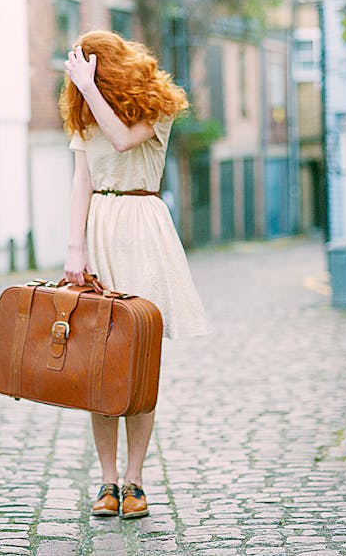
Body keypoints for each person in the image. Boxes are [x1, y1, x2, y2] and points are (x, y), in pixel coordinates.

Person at [59, 30, 212, 520]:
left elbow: (123, 142)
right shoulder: (83, 113)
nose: (83, 76)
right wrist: (73, 248)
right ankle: (107, 480)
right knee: (97, 368)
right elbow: (81, 181)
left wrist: (88, 88)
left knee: (139, 362)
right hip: (99, 229)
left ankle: (135, 481)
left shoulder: (156, 104)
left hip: (142, 227)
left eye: (90, 67)